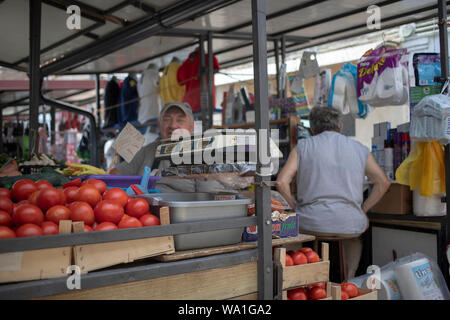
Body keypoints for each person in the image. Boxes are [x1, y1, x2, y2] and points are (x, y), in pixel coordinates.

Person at [276, 107, 390, 278]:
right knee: (353, 237)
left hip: (310, 223)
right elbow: (383, 182)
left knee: (288, 234)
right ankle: (349, 278)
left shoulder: (303, 146)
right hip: (351, 224)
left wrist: (294, 208)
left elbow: (281, 182)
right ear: (341, 127)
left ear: (312, 129)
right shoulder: (360, 148)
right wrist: (363, 210)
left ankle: (304, 279)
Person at [110, 102, 194, 176]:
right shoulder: (148, 151)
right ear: (159, 124)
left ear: (191, 127)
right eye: (167, 119)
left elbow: (205, 192)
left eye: (180, 120)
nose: (173, 125)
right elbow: (116, 173)